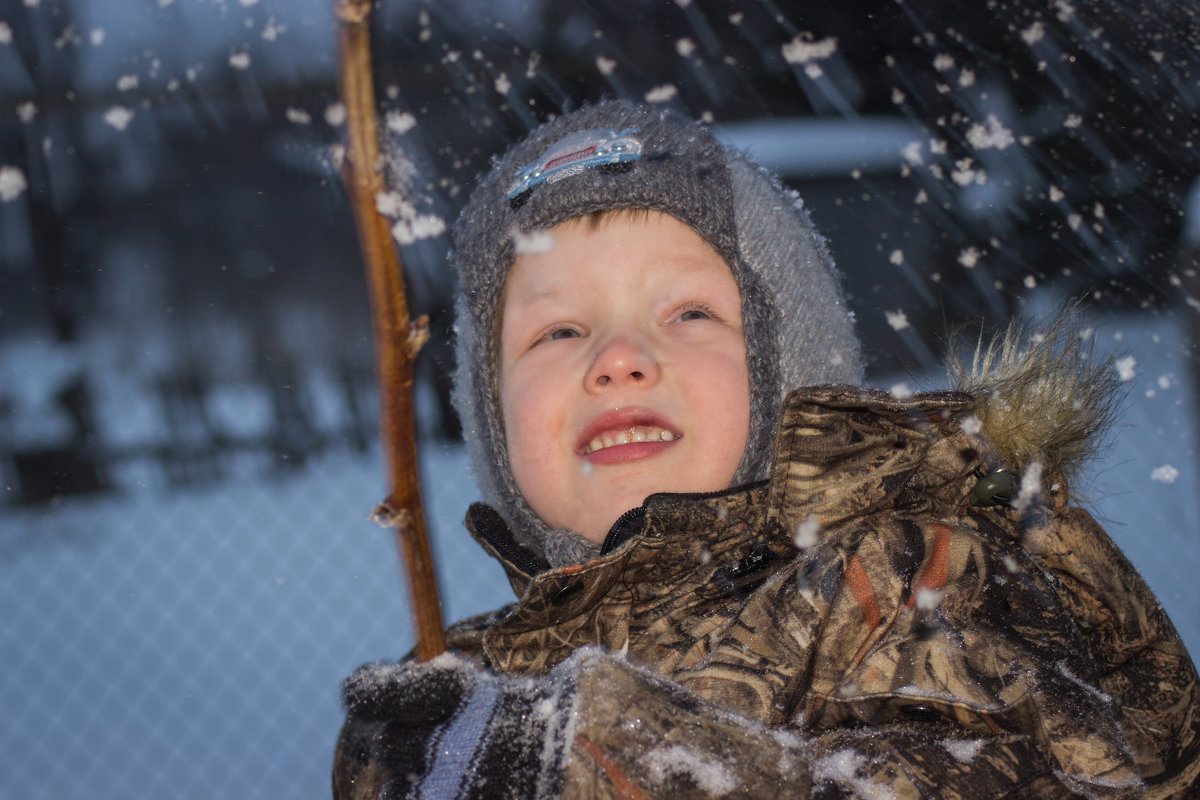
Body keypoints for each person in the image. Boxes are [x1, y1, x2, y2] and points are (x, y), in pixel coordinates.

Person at [332, 101, 1200, 799]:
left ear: (794, 363)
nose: (619, 359)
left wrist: (644, 769)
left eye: (690, 314)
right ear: (490, 415)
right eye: (559, 330)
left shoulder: (916, 579)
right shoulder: (474, 683)